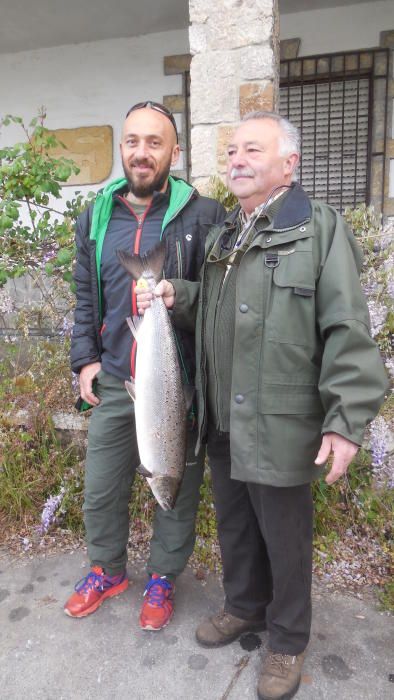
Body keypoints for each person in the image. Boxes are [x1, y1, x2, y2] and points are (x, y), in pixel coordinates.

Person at [136, 112, 389, 698]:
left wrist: (346, 422)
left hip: (281, 420)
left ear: (288, 164)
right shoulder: (228, 233)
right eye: (231, 151)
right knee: (236, 527)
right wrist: (181, 294)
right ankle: (245, 606)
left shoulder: (318, 228)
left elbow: (348, 330)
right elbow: (226, 315)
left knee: (285, 535)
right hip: (225, 415)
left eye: (252, 149)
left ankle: (289, 639)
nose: (237, 160)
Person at [66, 101, 226, 630]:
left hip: (178, 382)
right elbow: (85, 295)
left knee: (173, 483)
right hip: (116, 377)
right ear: (122, 149)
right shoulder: (96, 215)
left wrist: (174, 293)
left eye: (154, 143)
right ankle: (106, 569)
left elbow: (222, 296)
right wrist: (85, 359)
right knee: (102, 485)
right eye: (133, 141)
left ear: (173, 152)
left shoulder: (202, 214)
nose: (142, 152)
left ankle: (162, 578)